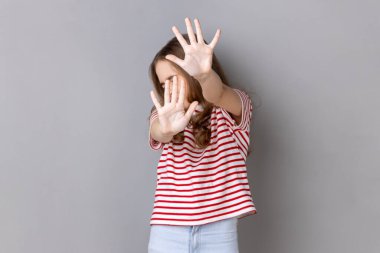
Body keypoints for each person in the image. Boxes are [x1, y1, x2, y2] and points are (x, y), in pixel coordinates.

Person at [147, 17, 257, 253]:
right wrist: (166, 129)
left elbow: (218, 93)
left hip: (219, 231)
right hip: (167, 230)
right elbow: (158, 131)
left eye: (173, 78)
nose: (168, 89)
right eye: (163, 84)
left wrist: (205, 77)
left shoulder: (230, 109)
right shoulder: (164, 114)